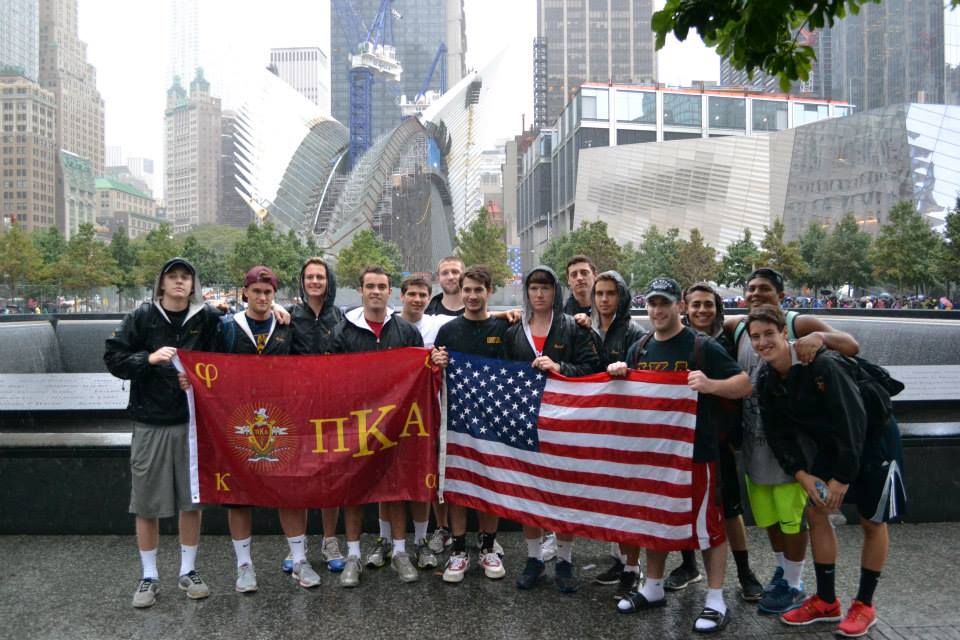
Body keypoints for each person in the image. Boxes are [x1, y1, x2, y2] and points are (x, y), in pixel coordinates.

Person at [747, 304, 906, 638]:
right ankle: (826, 601)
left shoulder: (822, 364)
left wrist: (841, 479)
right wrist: (803, 476)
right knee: (816, 512)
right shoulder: (765, 379)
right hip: (834, 444)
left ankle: (864, 604)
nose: (762, 343)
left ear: (784, 334)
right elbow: (779, 436)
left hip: (874, 438)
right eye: (755, 337)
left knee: (871, 520)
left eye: (768, 334)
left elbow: (854, 421)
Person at [608, 277, 752, 634]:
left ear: (680, 307)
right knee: (655, 520)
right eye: (653, 303)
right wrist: (618, 374)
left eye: (666, 303)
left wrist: (711, 385)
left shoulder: (702, 347)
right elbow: (627, 397)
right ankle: (653, 586)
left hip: (697, 454)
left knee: (708, 527)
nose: (658, 310)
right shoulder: (639, 348)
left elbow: (745, 384)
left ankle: (715, 598)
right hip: (655, 456)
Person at [724, 268, 860, 615]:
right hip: (757, 440)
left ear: (781, 296)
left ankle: (796, 582)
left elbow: (852, 346)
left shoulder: (800, 324)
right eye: (751, 289)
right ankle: (784, 574)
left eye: (765, 289)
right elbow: (705, 319)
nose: (756, 294)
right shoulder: (740, 326)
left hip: (796, 448)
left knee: (793, 518)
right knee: (769, 518)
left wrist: (821, 338)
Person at [104, 257, 222, 608]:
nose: (180, 282)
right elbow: (114, 359)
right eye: (173, 277)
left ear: (193, 284)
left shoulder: (208, 319)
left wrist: (199, 379)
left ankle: (188, 570)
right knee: (147, 503)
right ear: (162, 283)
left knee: (191, 500)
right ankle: (149, 575)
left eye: (186, 277)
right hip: (150, 421)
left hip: (191, 423)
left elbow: (225, 360)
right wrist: (150, 359)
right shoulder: (142, 317)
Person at [212, 266, 323, 593]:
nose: (262, 298)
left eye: (268, 293)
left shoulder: (287, 326)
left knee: (290, 491)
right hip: (236, 423)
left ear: (275, 295)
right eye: (256, 292)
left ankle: (299, 559)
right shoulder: (227, 327)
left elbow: (308, 366)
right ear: (244, 292)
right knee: (239, 496)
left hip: (282, 423)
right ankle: (244, 566)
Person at [662, 283, 764, 602]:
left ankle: (745, 572)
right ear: (685, 308)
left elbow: (743, 383)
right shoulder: (676, 341)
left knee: (730, 508)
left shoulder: (730, 335)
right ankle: (689, 565)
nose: (702, 310)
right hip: (681, 439)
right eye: (696, 305)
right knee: (683, 502)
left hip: (719, 439)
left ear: (718, 308)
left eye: (708, 304)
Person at [505, 265, 600, 593]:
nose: (539, 294)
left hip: (564, 422)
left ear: (555, 291)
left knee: (563, 492)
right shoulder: (516, 329)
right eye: (533, 288)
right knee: (528, 491)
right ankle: (533, 559)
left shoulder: (571, 326)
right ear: (527, 293)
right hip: (526, 421)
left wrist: (560, 368)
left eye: (545, 288)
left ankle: (564, 559)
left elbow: (592, 368)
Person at [332, 266, 425, 587]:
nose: (375, 291)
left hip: (394, 425)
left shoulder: (406, 331)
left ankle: (400, 551)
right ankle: (353, 555)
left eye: (381, 286)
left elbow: (420, 375)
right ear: (360, 290)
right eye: (369, 286)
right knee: (353, 490)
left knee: (395, 488)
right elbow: (327, 378)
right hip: (353, 425)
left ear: (390, 291)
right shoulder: (342, 331)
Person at [430, 265, 512, 583]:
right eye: (467, 290)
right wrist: (435, 363)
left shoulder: (503, 329)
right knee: (458, 485)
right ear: (460, 292)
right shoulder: (448, 331)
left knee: (490, 483)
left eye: (479, 290)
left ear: (489, 292)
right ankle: (459, 550)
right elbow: (431, 374)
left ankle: (488, 547)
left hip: (493, 422)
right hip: (457, 423)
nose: (473, 295)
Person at [574, 271, 646, 598]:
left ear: (622, 297)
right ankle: (620, 559)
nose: (603, 300)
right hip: (599, 425)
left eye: (610, 294)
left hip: (626, 426)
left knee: (630, 499)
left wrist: (626, 371)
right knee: (612, 498)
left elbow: (645, 377)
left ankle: (633, 568)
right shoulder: (585, 329)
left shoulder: (635, 333)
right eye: (599, 294)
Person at [283, 257, 347, 575]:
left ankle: (330, 539)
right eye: (309, 277)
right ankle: (298, 545)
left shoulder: (342, 317)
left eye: (320, 277)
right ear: (302, 281)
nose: (315, 282)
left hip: (332, 408)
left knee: (330, 477)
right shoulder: (290, 316)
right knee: (300, 476)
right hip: (299, 409)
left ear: (328, 280)